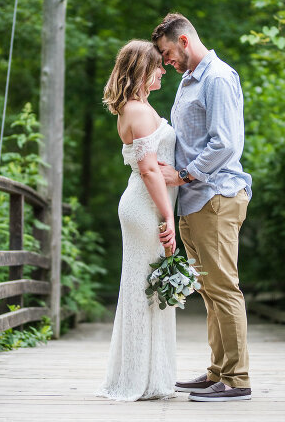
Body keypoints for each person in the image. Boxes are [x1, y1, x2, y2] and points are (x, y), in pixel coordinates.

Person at [152, 13, 252, 402]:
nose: (166, 62)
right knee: (209, 290)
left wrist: (182, 175)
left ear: (184, 41)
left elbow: (225, 143)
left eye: (167, 53)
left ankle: (237, 379)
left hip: (215, 197)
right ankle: (217, 372)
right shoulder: (188, 80)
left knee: (224, 287)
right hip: (195, 202)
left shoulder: (217, 78)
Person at [98, 39, 178, 401]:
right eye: (158, 65)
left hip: (140, 204)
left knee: (142, 287)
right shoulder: (141, 112)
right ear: (142, 69)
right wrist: (168, 218)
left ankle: (144, 374)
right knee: (145, 289)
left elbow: (151, 167)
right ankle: (139, 378)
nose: (163, 70)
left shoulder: (133, 108)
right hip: (146, 207)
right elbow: (148, 170)